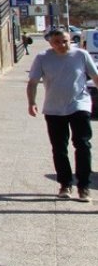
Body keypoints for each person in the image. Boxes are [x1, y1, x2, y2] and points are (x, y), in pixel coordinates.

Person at [27, 27, 98, 202]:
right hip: (53, 109)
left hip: (79, 105)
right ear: (50, 43)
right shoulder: (43, 58)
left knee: (82, 144)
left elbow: (95, 77)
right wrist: (32, 102)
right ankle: (65, 184)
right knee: (59, 148)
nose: (62, 45)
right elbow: (33, 82)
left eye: (65, 41)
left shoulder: (81, 55)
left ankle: (84, 187)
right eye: (57, 42)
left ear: (70, 40)